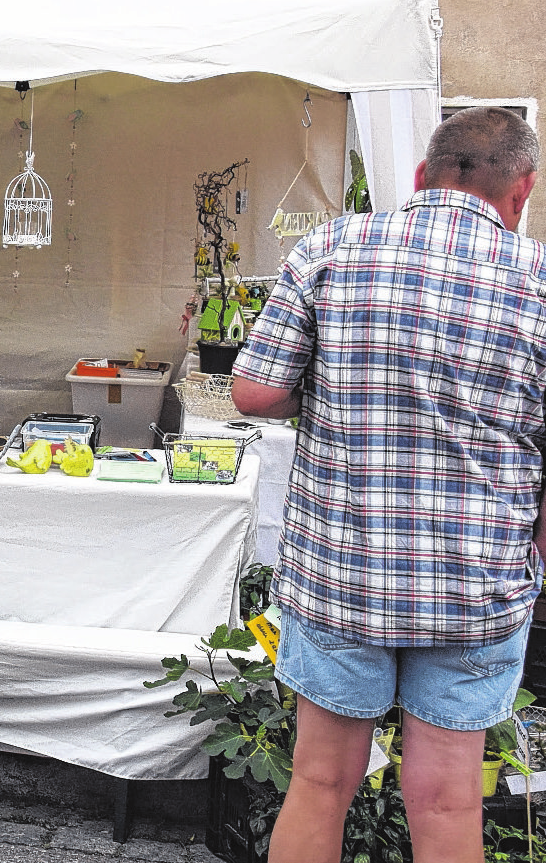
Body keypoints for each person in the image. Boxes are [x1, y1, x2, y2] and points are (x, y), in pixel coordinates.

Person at [232, 105, 546, 863]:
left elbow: (253, 393)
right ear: (521, 192)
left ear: (417, 178)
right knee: (447, 798)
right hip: (476, 583)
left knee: (317, 780)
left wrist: (332, 388)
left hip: (343, 570)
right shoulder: (537, 277)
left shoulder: (333, 245)